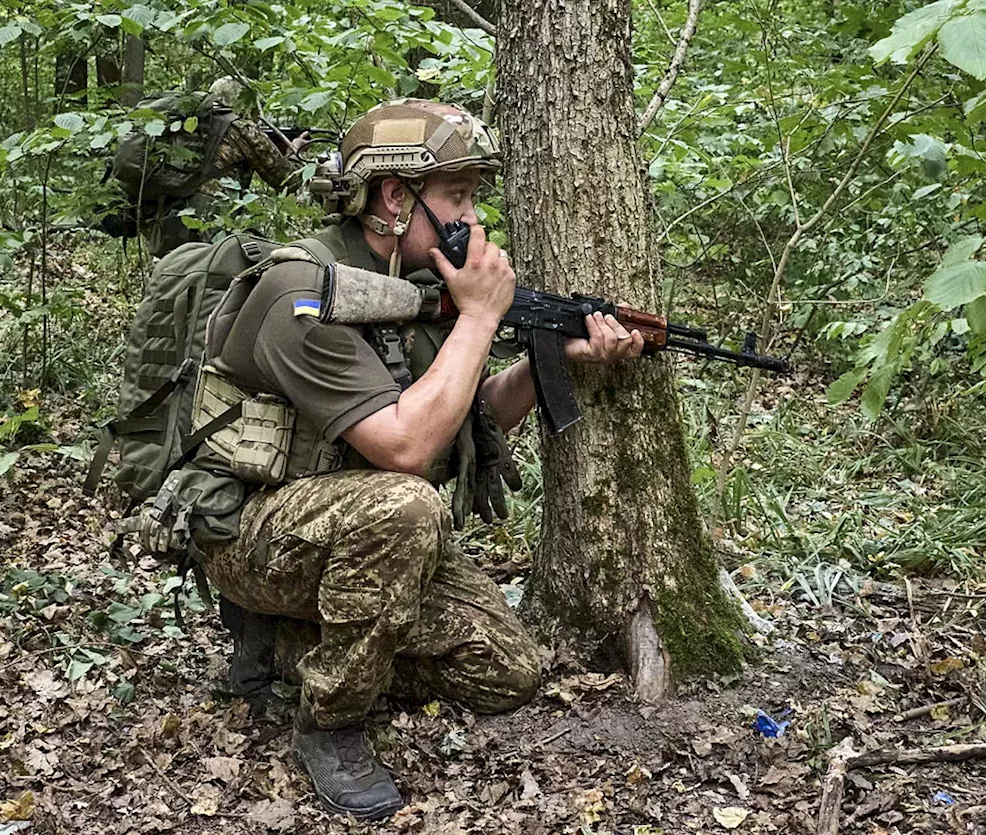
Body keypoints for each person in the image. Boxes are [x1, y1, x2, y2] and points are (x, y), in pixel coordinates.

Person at [182, 99, 645, 820]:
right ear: (394, 197)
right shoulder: (302, 293)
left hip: (357, 540)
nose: (474, 221)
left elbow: (466, 413)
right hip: (252, 532)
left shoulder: (412, 287)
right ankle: (330, 720)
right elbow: (406, 448)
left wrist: (560, 360)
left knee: (508, 670)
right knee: (409, 503)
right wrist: (484, 316)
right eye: (457, 197)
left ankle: (285, 640)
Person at [109, 77, 310, 257]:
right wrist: (295, 152)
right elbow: (288, 181)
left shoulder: (189, 123)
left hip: (166, 225)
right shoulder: (240, 129)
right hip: (211, 235)